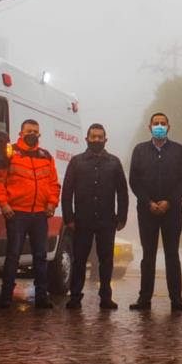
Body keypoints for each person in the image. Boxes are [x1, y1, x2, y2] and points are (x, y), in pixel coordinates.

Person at [0, 119, 60, 309]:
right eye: (29, 131)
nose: (32, 134)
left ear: (39, 134)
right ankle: (6, 297)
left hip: (40, 215)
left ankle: (42, 298)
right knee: (13, 256)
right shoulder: (10, 153)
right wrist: (3, 204)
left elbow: (54, 184)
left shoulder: (46, 156)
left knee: (40, 257)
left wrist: (52, 203)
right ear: (21, 133)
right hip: (17, 214)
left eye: (35, 132)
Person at [128, 112, 182, 312]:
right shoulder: (139, 150)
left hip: (172, 212)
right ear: (149, 127)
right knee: (148, 255)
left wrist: (169, 201)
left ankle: (177, 299)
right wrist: (148, 202)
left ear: (169, 127)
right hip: (147, 211)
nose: (159, 126)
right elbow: (134, 181)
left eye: (163, 123)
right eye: (156, 123)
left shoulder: (179, 150)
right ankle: (144, 299)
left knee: (172, 254)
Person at [61, 123, 129, 310]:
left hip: (107, 220)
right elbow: (67, 192)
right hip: (82, 220)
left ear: (106, 139)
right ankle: (75, 296)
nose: (97, 140)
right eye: (93, 137)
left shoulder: (114, 162)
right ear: (87, 139)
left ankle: (106, 297)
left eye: (100, 137)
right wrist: (69, 218)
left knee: (106, 260)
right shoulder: (76, 162)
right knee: (79, 260)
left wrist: (121, 217)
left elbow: (122, 192)